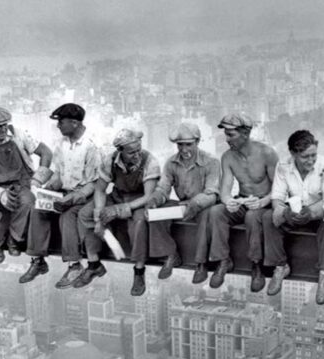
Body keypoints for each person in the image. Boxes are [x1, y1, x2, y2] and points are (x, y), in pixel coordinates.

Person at [18, 103, 103, 288]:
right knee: (38, 208)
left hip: (85, 196)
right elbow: (58, 174)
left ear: (74, 123)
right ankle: (38, 260)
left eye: (61, 122)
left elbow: (93, 183)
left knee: (68, 215)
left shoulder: (92, 146)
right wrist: (46, 189)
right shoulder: (62, 144)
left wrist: (72, 198)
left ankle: (74, 265)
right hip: (64, 192)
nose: (58, 126)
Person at [78, 128, 160, 296]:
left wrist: (118, 210)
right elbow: (100, 190)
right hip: (118, 195)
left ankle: (139, 270)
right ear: (120, 151)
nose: (136, 155)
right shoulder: (110, 160)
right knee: (86, 214)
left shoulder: (150, 161)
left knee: (139, 222)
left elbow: (148, 195)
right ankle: (94, 264)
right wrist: (99, 216)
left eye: (138, 150)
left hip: (138, 200)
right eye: (131, 153)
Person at [0, 106, 53, 264]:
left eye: (5, 125)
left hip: (21, 183)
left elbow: (46, 153)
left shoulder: (18, 134)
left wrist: (37, 180)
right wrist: (0, 194)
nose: (3, 129)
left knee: (27, 203)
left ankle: (15, 240)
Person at [208, 113, 278, 291]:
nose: (227, 139)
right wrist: (228, 201)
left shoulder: (267, 153)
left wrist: (263, 202)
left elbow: (279, 189)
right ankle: (223, 260)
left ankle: (256, 265)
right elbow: (225, 189)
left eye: (231, 135)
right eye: (226, 134)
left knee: (252, 217)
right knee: (216, 212)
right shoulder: (228, 157)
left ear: (245, 134)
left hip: (265, 203)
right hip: (243, 200)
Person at [263, 130, 324, 298]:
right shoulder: (283, 166)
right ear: (293, 154)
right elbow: (277, 197)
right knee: (268, 218)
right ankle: (280, 266)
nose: (311, 161)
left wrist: (311, 212)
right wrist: (285, 213)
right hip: (294, 211)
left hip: (317, 212)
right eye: (305, 157)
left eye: (313, 155)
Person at [146, 122, 220, 283]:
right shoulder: (171, 162)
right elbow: (163, 187)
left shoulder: (211, 161)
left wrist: (195, 204)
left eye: (189, 145)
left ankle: (201, 263)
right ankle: (171, 254)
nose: (184, 150)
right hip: (183, 205)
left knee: (206, 216)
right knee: (155, 214)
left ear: (198, 142)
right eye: (180, 145)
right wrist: (154, 200)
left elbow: (211, 193)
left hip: (203, 204)